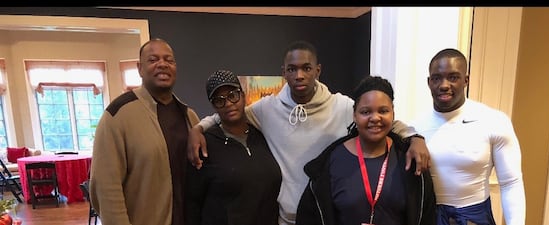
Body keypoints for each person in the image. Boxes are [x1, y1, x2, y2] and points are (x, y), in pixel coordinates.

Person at [187, 40, 431, 225]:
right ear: (284, 72)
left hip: (323, 215)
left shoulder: (343, 106)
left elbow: (377, 119)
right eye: (292, 69)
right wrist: (199, 127)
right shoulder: (267, 109)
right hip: (284, 216)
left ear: (318, 70)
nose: (299, 75)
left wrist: (414, 137)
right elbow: (232, 111)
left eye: (306, 68)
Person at [296, 76, 436, 225]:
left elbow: (427, 216)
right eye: (365, 112)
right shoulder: (330, 162)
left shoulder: (410, 159)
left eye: (383, 111)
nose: (375, 118)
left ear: (393, 114)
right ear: (354, 115)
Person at [89, 38, 200, 225]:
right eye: (153, 59)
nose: (162, 64)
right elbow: (106, 188)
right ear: (140, 68)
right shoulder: (117, 116)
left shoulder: (190, 116)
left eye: (169, 60)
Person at [412, 48, 526, 225]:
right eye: (437, 78)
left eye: (453, 77)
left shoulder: (494, 121)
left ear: (466, 80)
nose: (444, 85)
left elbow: (511, 182)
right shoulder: (415, 128)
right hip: (429, 216)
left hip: (475, 217)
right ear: (429, 82)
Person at [185, 70, 281, 225]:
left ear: (243, 96)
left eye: (232, 95)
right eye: (219, 100)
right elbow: (192, 203)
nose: (228, 103)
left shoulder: (263, 135)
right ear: (213, 105)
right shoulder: (205, 145)